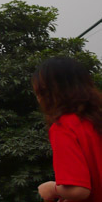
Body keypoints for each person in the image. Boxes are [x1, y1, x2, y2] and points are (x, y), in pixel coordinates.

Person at [32, 56, 102, 202]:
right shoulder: (96, 118)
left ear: (48, 93)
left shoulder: (64, 126)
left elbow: (79, 190)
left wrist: (52, 189)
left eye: (39, 92)